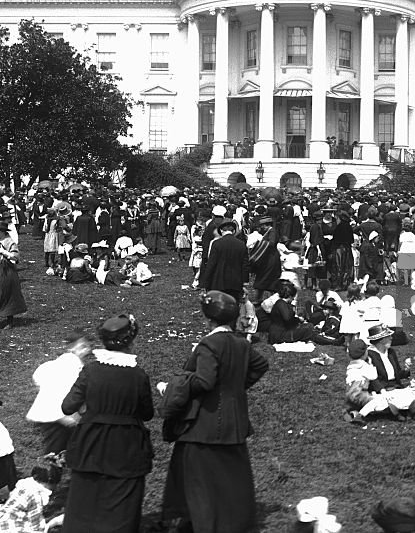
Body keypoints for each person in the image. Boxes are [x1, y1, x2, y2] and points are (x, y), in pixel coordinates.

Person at [162, 291, 270, 533]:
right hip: (235, 420)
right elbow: (261, 364)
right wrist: (235, 387)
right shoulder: (240, 343)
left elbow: (205, 381)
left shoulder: (208, 344)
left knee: (199, 478)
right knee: (232, 475)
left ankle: (202, 521)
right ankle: (234, 521)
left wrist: (175, 385)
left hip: (205, 423)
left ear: (208, 319)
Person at [61, 313, 154, 533]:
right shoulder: (138, 375)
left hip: (90, 444)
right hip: (126, 447)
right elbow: (147, 413)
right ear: (130, 341)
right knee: (121, 505)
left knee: (84, 500)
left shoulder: (91, 370)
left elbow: (67, 406)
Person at [26, 329, 94, 454]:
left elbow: (37, 376)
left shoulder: (52, 364)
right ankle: (53, 470)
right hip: (58, 416)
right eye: (83, 346)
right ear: (71, 348)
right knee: (57, 448)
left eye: (88, 346)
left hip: (52, 414)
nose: (87, 350)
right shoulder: (75, 368)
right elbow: (76, 391)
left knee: (65, 446)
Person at [0, 464, 60, 533]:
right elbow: (37, 528)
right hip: (9, 529)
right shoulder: (36, 496)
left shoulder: (24, 485)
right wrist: (54, 522)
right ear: (51, 482)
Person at [198, 218, 249, 299]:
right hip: (236, 282)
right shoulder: (241, 244)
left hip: (219, 282)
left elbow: (211, 264)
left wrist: (206, 282)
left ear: (221, 230)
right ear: (233, 231)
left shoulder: (217, 244)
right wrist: (245, 282)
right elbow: (245, 265)